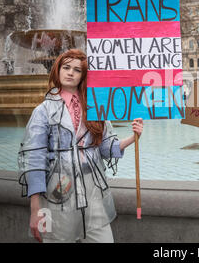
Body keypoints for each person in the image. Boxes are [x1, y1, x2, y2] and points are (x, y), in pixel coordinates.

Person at [18, 49, 143, 243]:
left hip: (92, 187)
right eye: (66, 67)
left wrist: (133, 138)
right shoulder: (42, 111)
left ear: (83, 75)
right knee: (56, 239)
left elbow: (105, 147)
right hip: (56, 188)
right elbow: (34, 159)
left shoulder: (95, 107)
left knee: (103, 239)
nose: (70, 73)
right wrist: (35, 210)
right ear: (57, 70)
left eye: (77, 70)